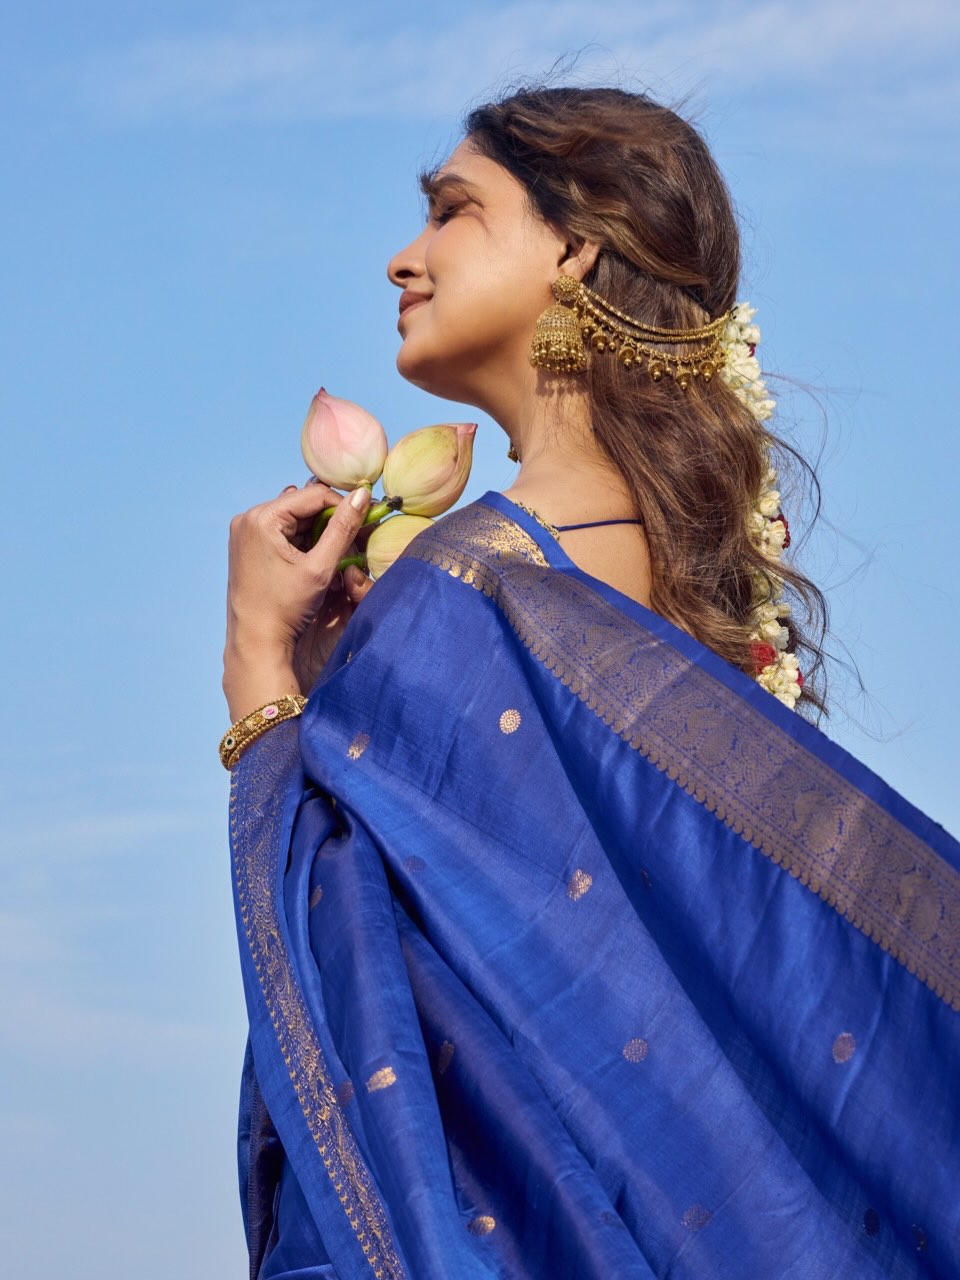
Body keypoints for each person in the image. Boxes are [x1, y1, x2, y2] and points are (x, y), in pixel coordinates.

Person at [222, 86, 959, 1279]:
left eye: (453, 211)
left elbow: (351, 1008)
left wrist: (262, 680)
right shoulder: (696, 597)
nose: (402, 258)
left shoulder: (461, 599)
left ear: (572, 251)